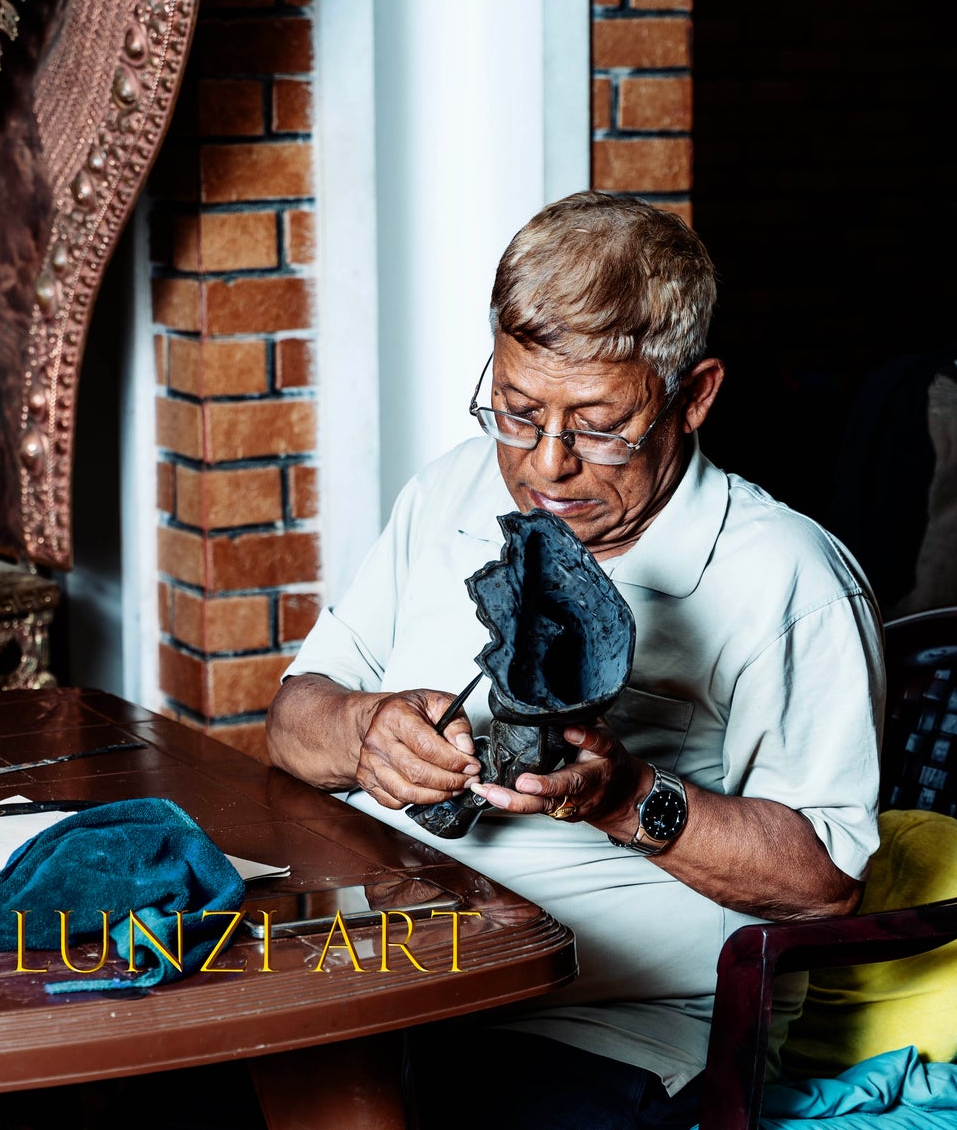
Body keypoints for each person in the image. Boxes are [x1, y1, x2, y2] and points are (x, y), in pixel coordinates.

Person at [266, 191, 884, 1130]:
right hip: (376, 967)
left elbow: (826, 883)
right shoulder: (452, 490)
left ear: (696, 395)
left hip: (601, 1025)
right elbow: (289, 721)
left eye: (598, 425)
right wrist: (363, 732)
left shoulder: (788, 577)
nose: (545, 466)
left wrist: (630, 798)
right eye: (516, 411)